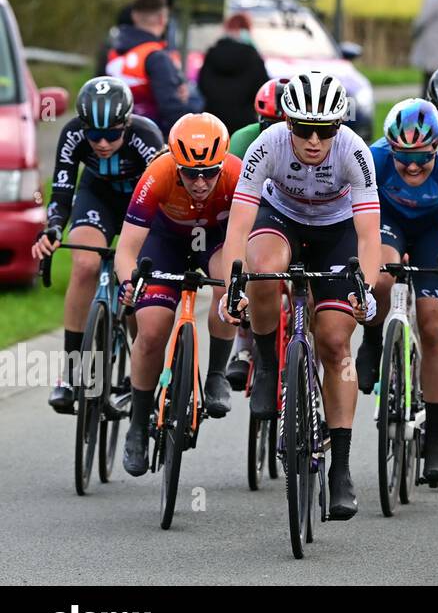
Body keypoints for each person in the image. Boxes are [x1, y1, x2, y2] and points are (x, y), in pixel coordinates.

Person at [218, 70, 381, 520]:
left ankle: (342, 469)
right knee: (264, 271)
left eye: (324, 130)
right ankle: (268, 366)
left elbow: (368, 238)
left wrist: (363, 288)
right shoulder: (266, 144)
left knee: (333, 340)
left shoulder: (354, 151)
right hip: (281, 218)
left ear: (338, 127)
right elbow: (238, 224)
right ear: (287, 123)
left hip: (336, 232)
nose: (313, 140)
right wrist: (233, 284)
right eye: (303, 129)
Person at [113, 113, 241, 476]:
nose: (200, 183)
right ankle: (138, 424)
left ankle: (216, 373)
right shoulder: (158, 173)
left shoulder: (238, 172)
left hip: (216, 240)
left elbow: (247, 237)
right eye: (190, 173)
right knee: (152, 329)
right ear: (175, 164)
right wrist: (128, 285)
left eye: (209, 173)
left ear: (223, 163)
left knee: (227, 282)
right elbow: (126, 251)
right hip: (165, 242)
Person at [32, 77, 166, 413]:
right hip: (97, 197)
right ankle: (71, 372)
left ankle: (141, 371)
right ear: (83, 127)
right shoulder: (72, 134)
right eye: (94, 134)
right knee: (85, 264)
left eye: (111, 134)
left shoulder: (146, 137)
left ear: (127, 124)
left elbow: (163, 195)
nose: (102, 143)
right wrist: (52, 229)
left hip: (140, 203)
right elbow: (61, 190)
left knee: (136, 282)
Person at [355, 99, 438, 485]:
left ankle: (435, 436)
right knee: (383, 279)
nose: (413, 166)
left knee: (435, 323)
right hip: (388, 222)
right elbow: (366, 231)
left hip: (435, 231)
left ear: (437, 147)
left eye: (422, 156)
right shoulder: (374, 159)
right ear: (391, 149)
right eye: (403, 157)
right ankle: (373, 340)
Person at [224, 75, 291, 391]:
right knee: (249, 259)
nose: (276, 132)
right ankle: (243, 342)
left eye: (285, 124)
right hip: (258, 209)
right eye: (268, 125)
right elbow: (234, 204)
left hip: (298, 212)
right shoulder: (242, 141)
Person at [104, 0, 199, 134]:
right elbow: (171, 109)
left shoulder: (113, 53)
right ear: (162, 18)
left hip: (112, 136)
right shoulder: (157, 57)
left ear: (134, 16)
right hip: (149, 138)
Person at [197, 13, 269, 134]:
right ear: (247, 30)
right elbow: (262, 92)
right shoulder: (253, 58)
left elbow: (202, 85)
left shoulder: (212, 54)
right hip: (244, 126)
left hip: (213, 123)